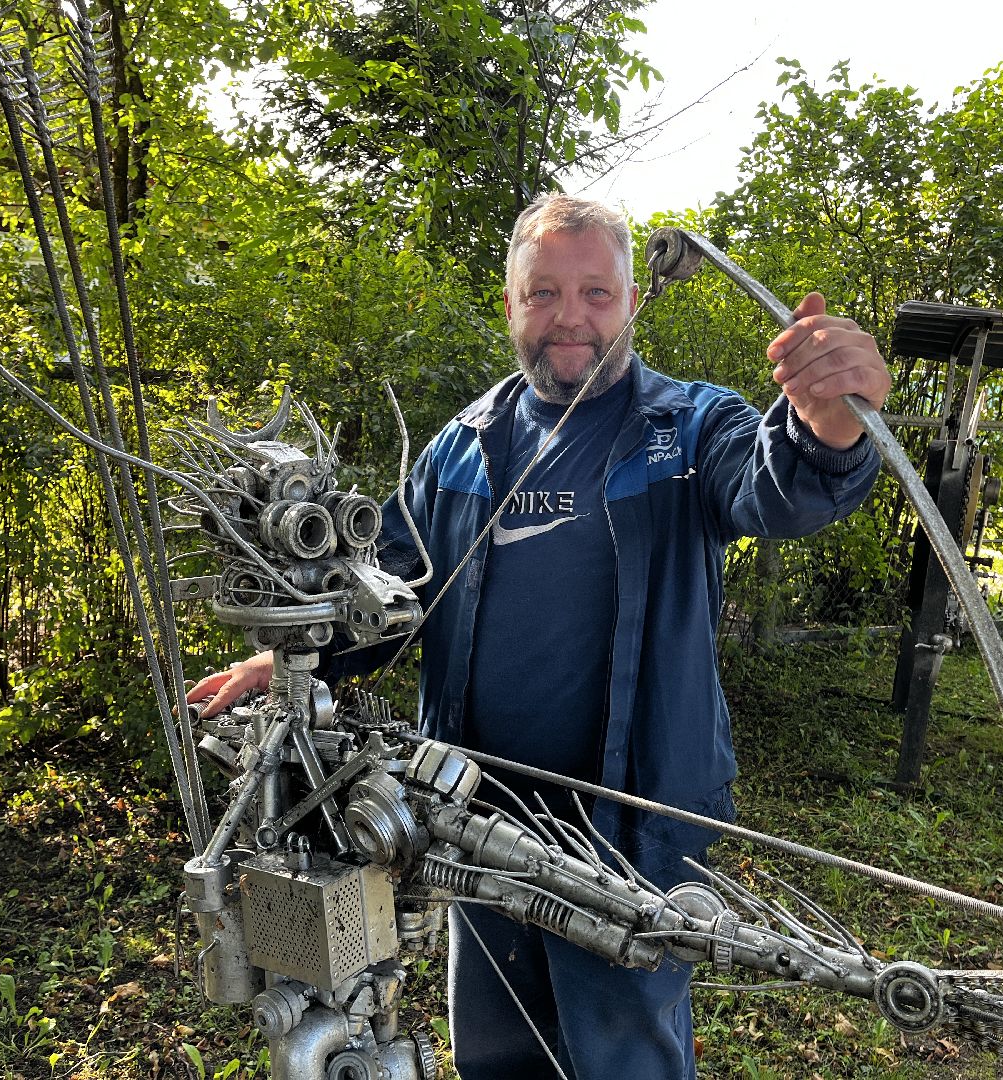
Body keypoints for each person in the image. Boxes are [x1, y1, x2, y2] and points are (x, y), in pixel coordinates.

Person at [189, 194, 891, 1079]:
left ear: (632, 301)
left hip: (635, 826)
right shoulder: (462, 446)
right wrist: (295, 651)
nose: (572, 317)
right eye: (545, 292)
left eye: (596, 293)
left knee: (624, 1054)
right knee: (498, 1050)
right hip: (475, 818)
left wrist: (828, 421)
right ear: (512, 303)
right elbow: (391, 591)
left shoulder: (689, 426)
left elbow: (778, 487)